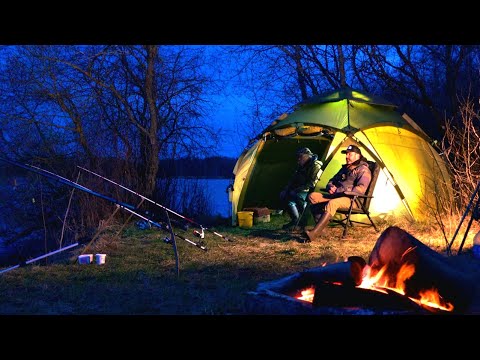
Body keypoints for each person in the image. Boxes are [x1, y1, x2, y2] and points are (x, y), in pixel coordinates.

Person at [304, 144, 371, 242]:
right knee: (312, 196)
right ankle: (322, 229)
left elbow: (360, 189)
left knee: (333, 203)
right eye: (346, 154)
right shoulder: (345, 168)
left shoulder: (363, 170)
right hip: (336, 195)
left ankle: (314, 233)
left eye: (350, 154)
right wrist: (330, 187)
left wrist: (339, 190)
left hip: (353, 200)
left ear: (358, 156)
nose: (347, 157)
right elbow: (332, 180)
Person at [279, 147, 322, 230]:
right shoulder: (301, 166)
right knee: (285, 195)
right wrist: (286, 189)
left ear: (307, 156)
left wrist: (296, 190)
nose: (298, 159)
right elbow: (293, 180)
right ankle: (295, 220)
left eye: (300, 157)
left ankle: (305, 222)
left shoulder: (315, 165)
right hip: (300, 189)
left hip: (311, 191)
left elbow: (312, 183)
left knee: (297, 195)